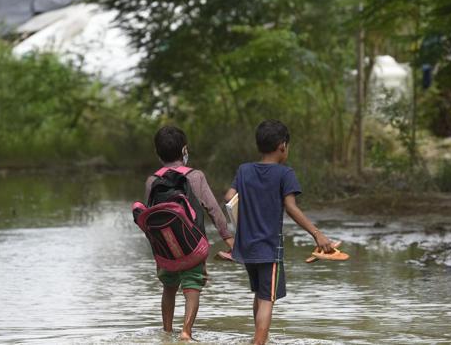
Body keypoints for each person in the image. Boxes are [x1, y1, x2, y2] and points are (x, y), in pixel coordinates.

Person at [224, 119, 336, 345]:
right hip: (269, 249)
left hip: (246, 247)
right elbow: (291, 208)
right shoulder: (285, 174)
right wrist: (317, 234)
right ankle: (258, 342)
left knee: (259, 293)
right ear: (283, 146)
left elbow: (228, 197)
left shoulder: (244, 170)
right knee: (267, 299)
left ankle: (258, 337)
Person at [144, 125, 234, 341]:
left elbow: (148, 217)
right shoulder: (195, 176)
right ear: (185, 150)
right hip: (193, 246)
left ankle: (166, 331)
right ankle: (186, 331)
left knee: (169, 286)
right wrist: (228, 239)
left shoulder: (151, 181)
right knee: (192, 286)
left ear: (157, 153)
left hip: (165, 249)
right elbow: (213, 209)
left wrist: (157, 248)